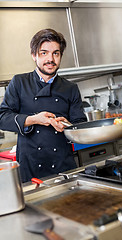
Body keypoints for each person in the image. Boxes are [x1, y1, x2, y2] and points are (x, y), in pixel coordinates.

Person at [0, 28, 87, 183]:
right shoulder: (19, 83)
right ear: (34, 55)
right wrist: (34, 119)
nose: (50, 59)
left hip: (63, 165)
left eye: (56, 53)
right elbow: (3, 117)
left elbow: (80, 125)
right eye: (44, 53)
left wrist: (67, 126)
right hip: (30, 166)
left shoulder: (70, 88)